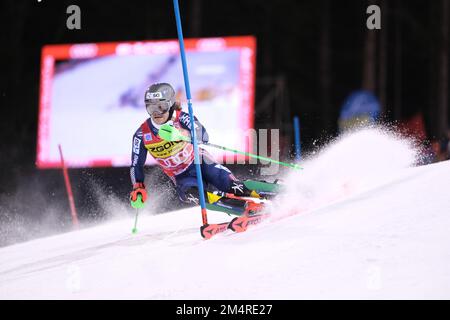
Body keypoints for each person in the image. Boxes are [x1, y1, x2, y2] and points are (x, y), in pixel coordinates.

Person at [129, 83, 273, 216]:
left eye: (161, 107)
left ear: (170, 104)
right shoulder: (142, 134)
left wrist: (182, 134)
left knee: (230, 185)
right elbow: (136, 164)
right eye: (151, 107)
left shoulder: (182, 118)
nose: (156, 112)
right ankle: (246, 209)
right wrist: (138, 187)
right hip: (181, 175)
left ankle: (274, 191)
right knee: (196, 195)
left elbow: (203, 136)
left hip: (201, 162)